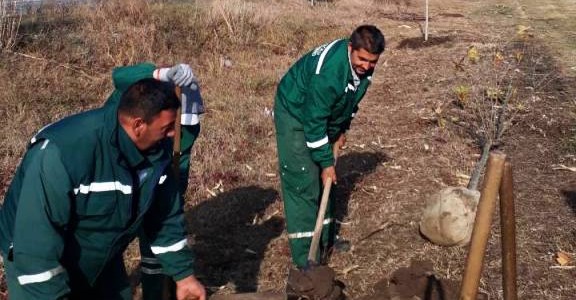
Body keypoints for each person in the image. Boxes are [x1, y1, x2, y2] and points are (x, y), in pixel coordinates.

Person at [0, 73, 206, 299]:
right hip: (34, 255)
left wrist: (184, 277)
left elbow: (164, 217)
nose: (173, 134)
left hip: (101, 247)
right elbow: (36, 250)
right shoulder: (61, 155)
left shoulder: (156, 153)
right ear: (138, 125)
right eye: (166, 127)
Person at [274, 25, 385, 269]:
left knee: (327, 181)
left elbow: (349, 102)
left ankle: (326, 239)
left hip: (319, 111)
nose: (366, 66)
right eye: (362, 59)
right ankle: (306, 258)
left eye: (372, 61)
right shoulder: (328, 74)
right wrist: (325, 163)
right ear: (350, 48)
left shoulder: (363, 70)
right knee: (303, 178)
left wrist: (341, 130)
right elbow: (313, 124)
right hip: (295, 110)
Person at [105, 63, 204, 300]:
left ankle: (158, 292)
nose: (173, 132)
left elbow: (178, 168)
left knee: (158, 233)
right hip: (117, 177)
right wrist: (162, 73)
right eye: (168, 126)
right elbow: (118, 75)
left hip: (158, 170)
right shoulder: (138, 96)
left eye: (178, 126)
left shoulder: (183, 134)